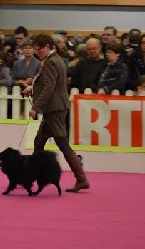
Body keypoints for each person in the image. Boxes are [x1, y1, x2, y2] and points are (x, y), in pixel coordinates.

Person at [23, 34, 90, 193]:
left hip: (54, 110)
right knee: (39, 142)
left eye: (37, 49)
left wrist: (36, 107)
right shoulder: (53, 60)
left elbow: (49, 88)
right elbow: (48, 85)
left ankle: (81, 179)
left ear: (47, 46)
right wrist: (31, 90)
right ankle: (29, 177)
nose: (36, 52)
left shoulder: (51, 62)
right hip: (54, 109)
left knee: (63, 145)